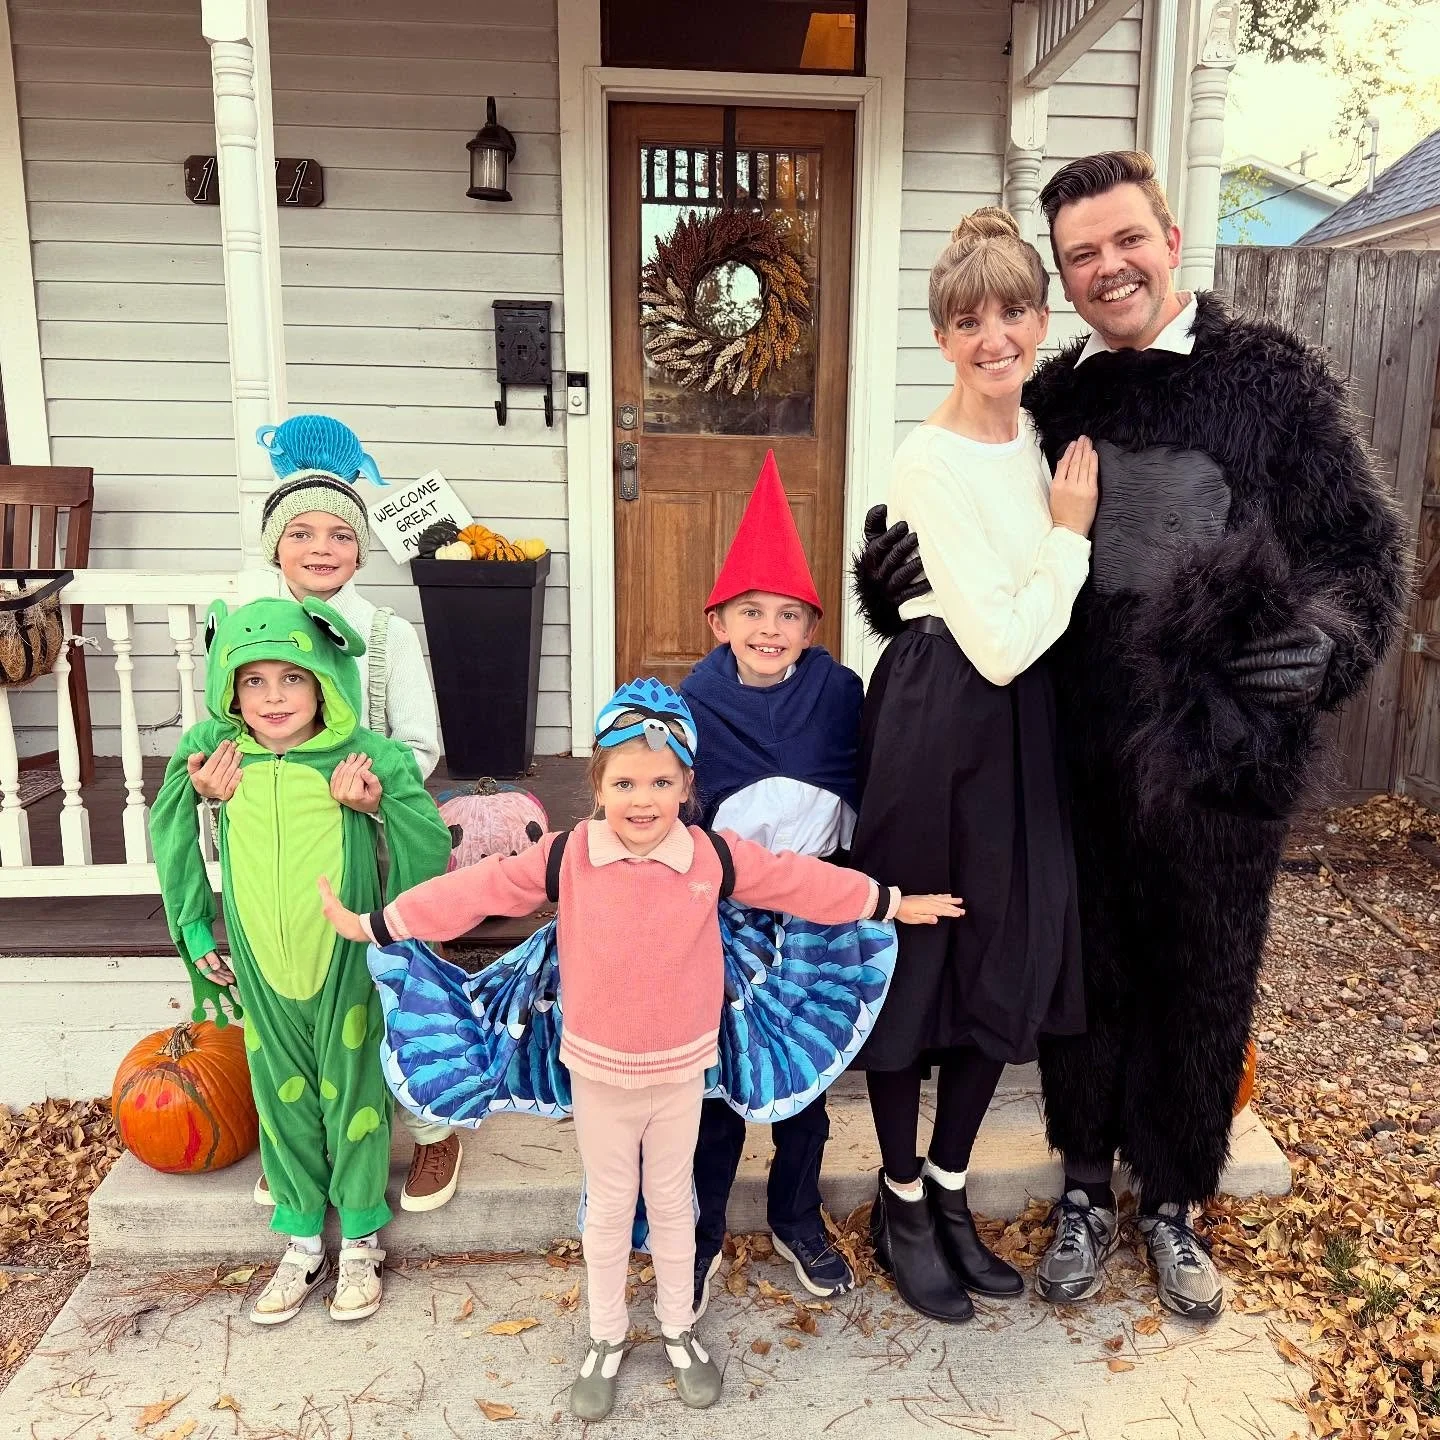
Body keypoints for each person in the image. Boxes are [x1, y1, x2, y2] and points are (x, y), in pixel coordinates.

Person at [855, 152, 1408, 1319]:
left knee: (1203, 977)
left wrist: (1326, 642)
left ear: (1170, 240)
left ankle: (1173, 1204)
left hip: (1224, 758)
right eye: (1083, 255)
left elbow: (1364, 552)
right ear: (1063, 277)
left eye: (1126, 241)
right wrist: (893, 588)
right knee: (1086, 973)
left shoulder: (1273, 382)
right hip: (1073, 751)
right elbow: (994, 547)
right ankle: (1083, 1192)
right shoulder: (1057, 398)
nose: (1109, 267)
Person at [316, 677, 962, 1421]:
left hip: (682, 1073)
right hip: (597, 1074)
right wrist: (380, 923)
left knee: (675, 1204)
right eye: (624, 783)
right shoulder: (568, 857)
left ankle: (679, 1328)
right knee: (608, 1206)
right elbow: (478, 891)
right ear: (597, 786)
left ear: (688, 787)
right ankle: (606, 1335)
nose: (643, 799)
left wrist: (889, 902)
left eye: (661, 782)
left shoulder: (711, 856)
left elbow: (797, 883)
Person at [848, 208, 1098, 1326]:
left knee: (1008, 944)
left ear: (1041, 319)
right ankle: (899, 1199)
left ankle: (951, 1189)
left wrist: (1055, 545)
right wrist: (1069, 534)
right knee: (923, 956)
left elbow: (1027, 631)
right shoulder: (929, 459)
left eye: (1014, 313)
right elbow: (996, 639)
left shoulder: (1041, 433)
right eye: (969, 321)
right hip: (941, 720)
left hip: (1022, 726)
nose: (995, 338)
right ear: (942, 337)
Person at [149, 596, 452, 1325]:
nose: (274, 696)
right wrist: (194, 929)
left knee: (353, 1094)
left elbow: (429, 841)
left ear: (324, 682)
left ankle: (361, 1241)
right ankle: (301, 1242)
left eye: (293, 677)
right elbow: (169, 827)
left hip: (344, 955)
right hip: (258, 959)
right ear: (230, 689)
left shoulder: (361, 756)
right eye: (253, 681)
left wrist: (377, 810)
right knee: (278, 1092)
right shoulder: (215, 754)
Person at [189, 415, 461, 1214]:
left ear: (361, 549)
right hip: (278, 847)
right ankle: (302, 1145)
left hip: (365, 837)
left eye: (341, 534)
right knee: (292, 997)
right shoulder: (245, 627)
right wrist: (213, 786)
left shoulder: (386, 634)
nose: (321, 548)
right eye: (301, 533)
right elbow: (223, 727)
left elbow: (419, 742)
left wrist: (374, 792)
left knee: (388, 989)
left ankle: (430, 1126)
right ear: (274, 546)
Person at [682, 451, 867, 1313]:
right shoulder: (692, 705)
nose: (770, 628)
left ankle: (797, 1217)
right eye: (751, 611)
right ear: (719, 619)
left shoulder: (839, 694)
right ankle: (702, 1228)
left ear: (810, 624)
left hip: (817, 913)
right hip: (725, 919)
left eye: (788, 613)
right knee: (717, 1088)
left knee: (805, 1082)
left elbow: (872, 787)